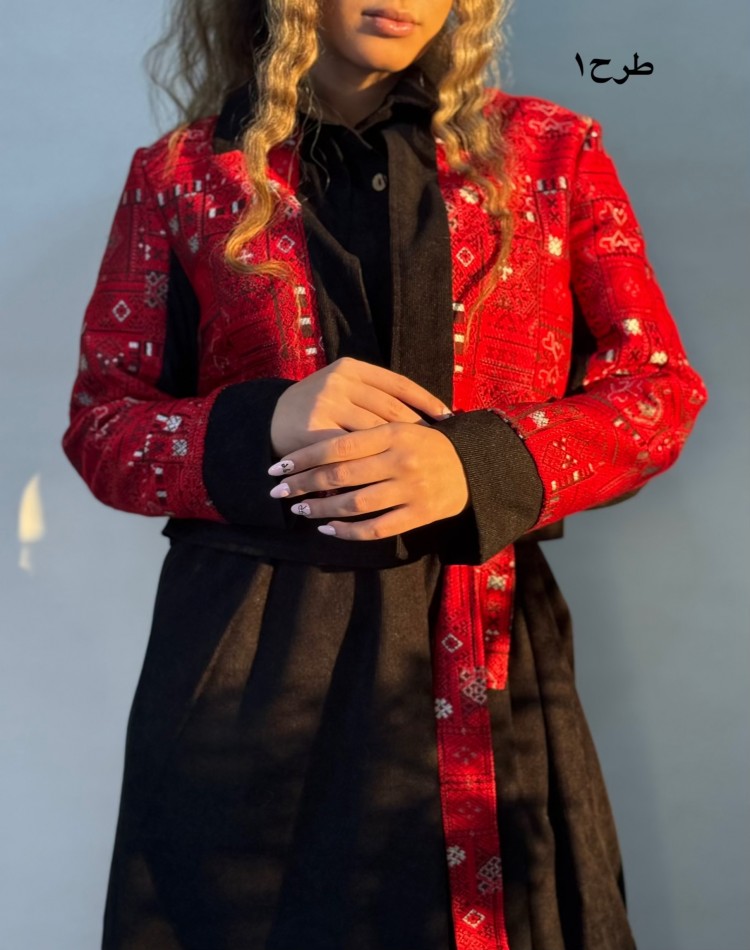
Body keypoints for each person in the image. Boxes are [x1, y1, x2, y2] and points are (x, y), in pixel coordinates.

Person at [61, 2, 708, 948]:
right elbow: (103, 425)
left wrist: (477, 462)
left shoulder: (549, 153)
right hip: (243, 675)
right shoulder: (183, 174)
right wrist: (263, 422)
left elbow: (657, 392)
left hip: (483, 661)